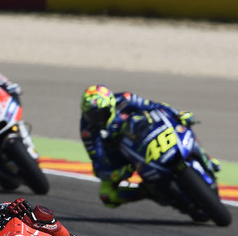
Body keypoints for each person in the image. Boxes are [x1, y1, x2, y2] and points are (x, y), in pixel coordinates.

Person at [79, 84, 220, 208]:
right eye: (90, 115)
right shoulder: (88, 130)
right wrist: (117, 173)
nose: (95, 119)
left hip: (145, 134)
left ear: (110, 105)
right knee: (107, 196)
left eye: (99, 114)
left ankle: (205, 158)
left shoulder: (125, 99)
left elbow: (154, 106)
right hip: (120, 155)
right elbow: (97, 160)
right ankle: (146, 191)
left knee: (182, 127)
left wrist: (178, 114)